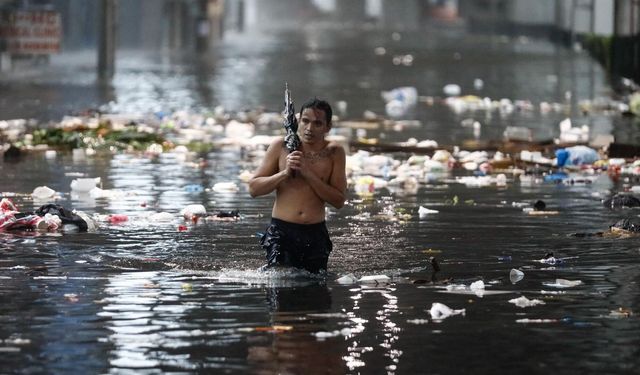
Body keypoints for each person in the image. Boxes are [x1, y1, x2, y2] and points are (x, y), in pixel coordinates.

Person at [249, 98, 347, 273]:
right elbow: (254, 189)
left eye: (317, 123)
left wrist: (308, 173)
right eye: (305, 121)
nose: (309, 129)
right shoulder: (281, 146)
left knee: (315, 293)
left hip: (315, 233)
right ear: (297, 120)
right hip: (282, 232)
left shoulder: (334, 152)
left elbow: (339, 201)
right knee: (279, 288)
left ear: (328, 127)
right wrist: (284, 173)